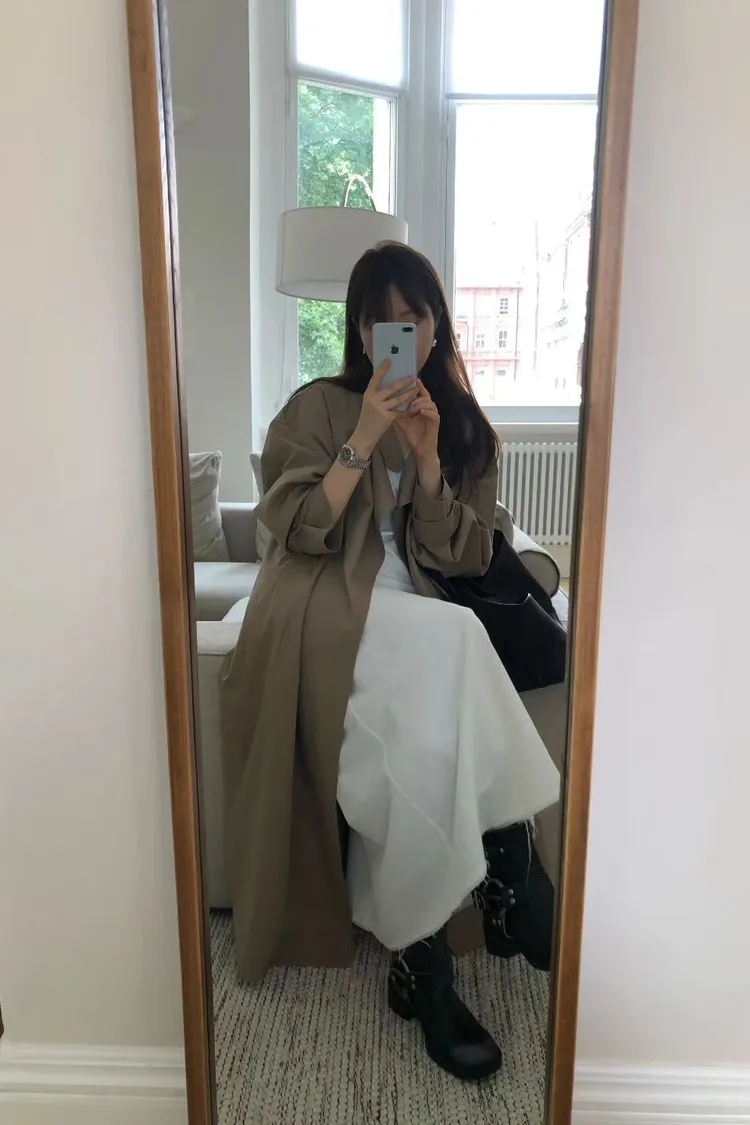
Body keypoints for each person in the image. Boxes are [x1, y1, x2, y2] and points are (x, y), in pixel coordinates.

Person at [221, 241, 560, 1081]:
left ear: (437, 327)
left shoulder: (465, 428)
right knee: (458, 638)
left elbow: (467, 554)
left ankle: (423, 969)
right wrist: (365, 436)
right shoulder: (314, 407)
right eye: (380, 320)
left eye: (413, 316)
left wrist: (431, 462)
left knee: (417, 746)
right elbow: (297, 529)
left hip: (418, 609)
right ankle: (515, 871)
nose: (397, 332)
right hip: (320, 602)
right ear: (359, 333)